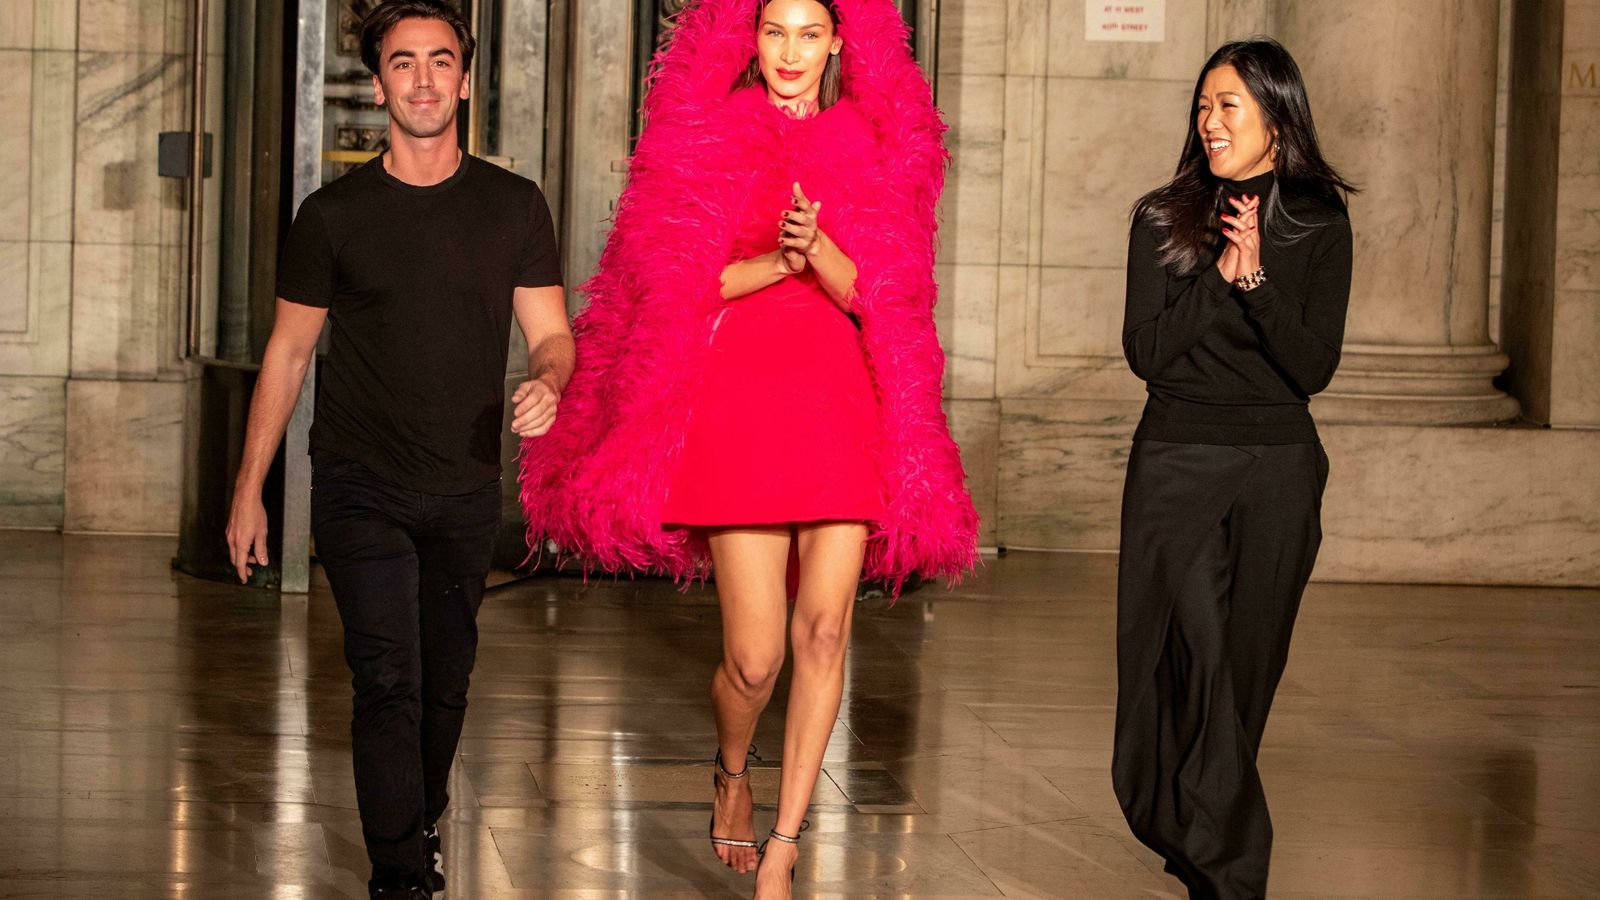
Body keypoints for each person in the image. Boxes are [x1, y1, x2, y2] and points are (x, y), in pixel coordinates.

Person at [517, 0, 978, 896]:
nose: (791, 53)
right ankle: (732, 769)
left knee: (827, 628)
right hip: (737, 404)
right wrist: (776, 262)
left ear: (840, 40)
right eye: (774, 33)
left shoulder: (873, 145)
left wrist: (824, 252)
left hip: (842, 403)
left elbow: (886, 297)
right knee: (755, 657)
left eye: (810, 34)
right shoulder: (705, 132)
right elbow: (667, 286)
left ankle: (786, 843)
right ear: (749, 38)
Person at [224, 1, 572, 896]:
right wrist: (248, 488)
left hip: (463, 486)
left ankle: (415, 823)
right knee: (387, 676)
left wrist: (550, 380)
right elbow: (289, 352)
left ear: (465, 78)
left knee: (445, 683)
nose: (424, 78)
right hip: (358, 483)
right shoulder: (333, 215)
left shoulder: (512, 205)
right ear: (379, 85)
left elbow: (552, 334)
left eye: (441, 61)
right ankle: (400, 878)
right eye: (404, 63)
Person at [1111, 37, 1356, 900]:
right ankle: (1234, 873)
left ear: (1276, 122)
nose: (1210, 123)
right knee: (1199, 660)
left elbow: (1310, 369)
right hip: (1176, 461)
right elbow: (1148, 354)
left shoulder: (1320, 221)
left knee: (1245, 677)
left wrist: (1258, 284)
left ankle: (1205, 840)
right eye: (1204, 106)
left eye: (1229, 108)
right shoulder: (1161, 217)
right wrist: (1220, 272)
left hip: (1280, 470)